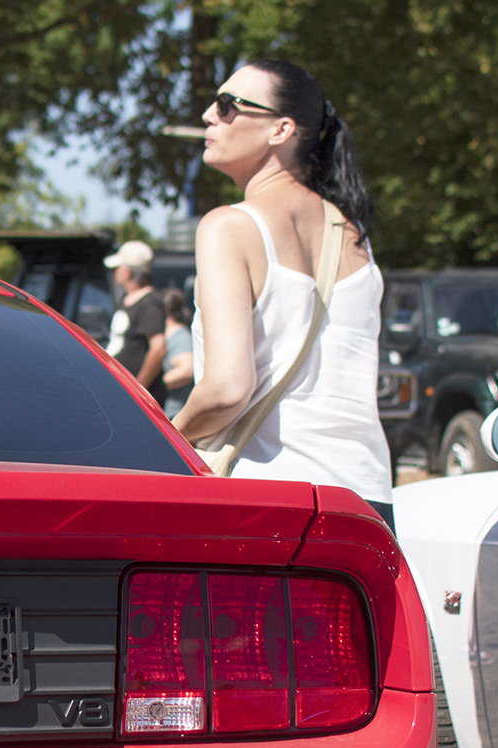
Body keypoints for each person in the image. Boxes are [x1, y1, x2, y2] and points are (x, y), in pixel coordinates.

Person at [171, 59, 392, 527]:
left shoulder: (229, 226)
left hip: (270, 497)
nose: (210, 115)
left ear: (281, 129)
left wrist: (162, 441)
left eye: (228, 106)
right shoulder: (354, 236)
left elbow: (229, 388)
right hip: (366, 499)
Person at [103, 241, 166, 401]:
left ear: (127, 272)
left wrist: (139, 388)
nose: (115, 272)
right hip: (117, 389)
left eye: (118, 267)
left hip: (138, 399)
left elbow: (158, 348)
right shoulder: (125, 300)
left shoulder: (149, 302)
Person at [158, 287, 196, 417]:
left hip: (175, 414)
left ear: (166, 311)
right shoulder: (167, 335)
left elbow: (187, 370)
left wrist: (155, 384)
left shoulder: (180, 336)